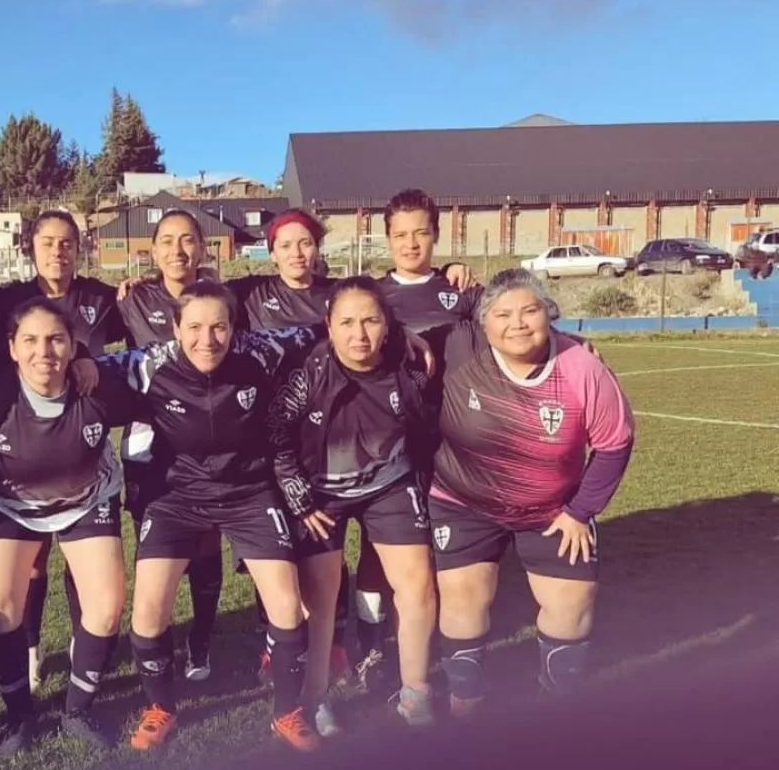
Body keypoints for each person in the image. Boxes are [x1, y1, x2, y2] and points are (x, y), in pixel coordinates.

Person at [100, 280, 323, 753]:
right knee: (148, 611)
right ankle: (161, 707)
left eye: (219, 327)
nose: (208, 339)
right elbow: (82, 367)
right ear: (176, 328)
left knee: (287, 606)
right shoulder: (149, 364)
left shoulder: (260, 351)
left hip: (249, 492)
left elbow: (324, 327)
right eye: (195, 327)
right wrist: (81, 364)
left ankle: (287, 712)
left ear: (234, 327)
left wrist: (402, 336)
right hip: (177, 497)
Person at [424, 268, 634, 715]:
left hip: (554, 510)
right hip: (463, 502)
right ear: (484, 323)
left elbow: (615, 444)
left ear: (548, 314)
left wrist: (580, 512)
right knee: (463, 597)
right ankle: (467, 704)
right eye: (502, 315)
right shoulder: (460, 348)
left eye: (529, 311)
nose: (517, 324)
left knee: (573, 601)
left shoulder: (581, 367)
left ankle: (554, 709)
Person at [0, 298, 136, 757]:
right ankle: (20, 716)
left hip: (87, 497)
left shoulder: (97, 387)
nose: (44, 352)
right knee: (1, 611)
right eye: (31, 341)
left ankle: (77, 710)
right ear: (12, 348)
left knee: (106, 609)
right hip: (9, 502)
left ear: (73, 346)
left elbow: (161, 401)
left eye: (56, 339)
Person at [268, 277, 439, 733]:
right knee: (321, 598)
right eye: (346, 322)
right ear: (329, 326)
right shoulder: (307, 374)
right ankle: (315, 698)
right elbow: (276, 438)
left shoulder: (408, 366)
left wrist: (572, 343)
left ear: (388, 325)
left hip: (389, 484)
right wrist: (300, 500)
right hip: (320, 494)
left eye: (370, 321)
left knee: (417, 585)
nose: (359, 334)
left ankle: (415, 693)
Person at [0, 209, 126, 692]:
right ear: (30, 247)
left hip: (81, 434)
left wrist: (140, 288)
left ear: (79, 248)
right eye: (47, 242)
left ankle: (78, 639)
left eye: (67, 242)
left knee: (82, 556)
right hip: (25, 438)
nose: (57, 251)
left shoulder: (102, 297)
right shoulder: (5, 299)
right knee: (31, 562)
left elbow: (142, 326)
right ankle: (30, 646)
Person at [354, 188, 484, 690]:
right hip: (387, 445)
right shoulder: (371, 295)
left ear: (436, 234)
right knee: (377, 552)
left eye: (421, 233)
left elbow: (513, 323)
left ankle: (444, 644)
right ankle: (371, 648)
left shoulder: (461, 292)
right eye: (401, 234)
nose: (411, 243)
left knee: (444, 547)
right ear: (386, 238)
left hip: (450, 442)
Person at [115, 209, 225, 684]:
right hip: (149, 444)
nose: (178, 251)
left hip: (210, 440)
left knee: (206, 542)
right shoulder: (130, 299)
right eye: (167, 241)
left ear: (201, 246)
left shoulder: (223, 296)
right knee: (152, 545)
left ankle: (201, 639)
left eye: (187, 240)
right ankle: (156, 644)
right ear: (153, 250)